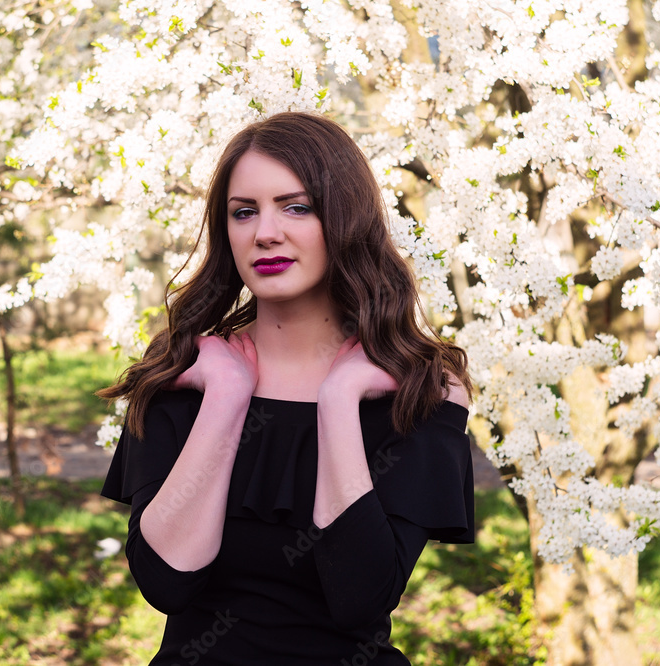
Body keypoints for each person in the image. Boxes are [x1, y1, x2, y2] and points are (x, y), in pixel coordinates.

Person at [98, 111, 475, 665]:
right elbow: (167, 583)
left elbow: (359, 598)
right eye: (243, 212)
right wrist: (226, 395)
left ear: (345, 217)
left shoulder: (420, 389)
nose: (265, 232)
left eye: (296, 207)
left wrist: (339, 400)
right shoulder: (184, 372)